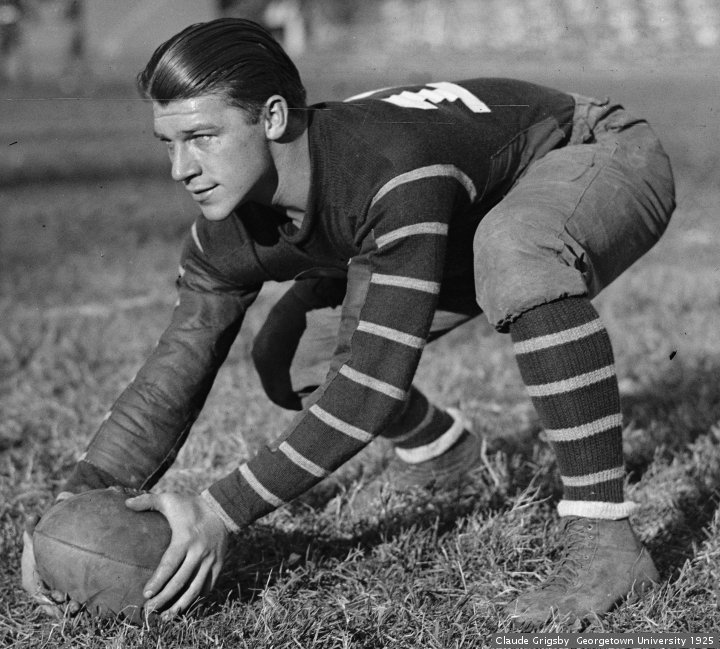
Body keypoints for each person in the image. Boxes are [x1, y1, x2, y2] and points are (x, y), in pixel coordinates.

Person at [21, 18, 676, 628]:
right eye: (169, 143)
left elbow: (371, 383)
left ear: (273, 117)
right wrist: (72, 506)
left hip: (595, 150)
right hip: (461, 210)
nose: (181, 169)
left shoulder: (388, 167)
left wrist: (221, 508)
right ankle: (443, 452)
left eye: (202, 137)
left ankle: (606, 541)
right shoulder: (225, 232)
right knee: (295, 357)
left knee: (517, 251)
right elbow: (174, 369)